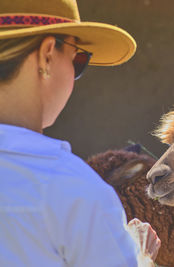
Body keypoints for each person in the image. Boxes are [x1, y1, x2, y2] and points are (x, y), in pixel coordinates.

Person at [0, 1, 161, 266]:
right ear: (47, 54)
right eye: (79, 58)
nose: (76, 71)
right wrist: (138, 257)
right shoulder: (75, 192)